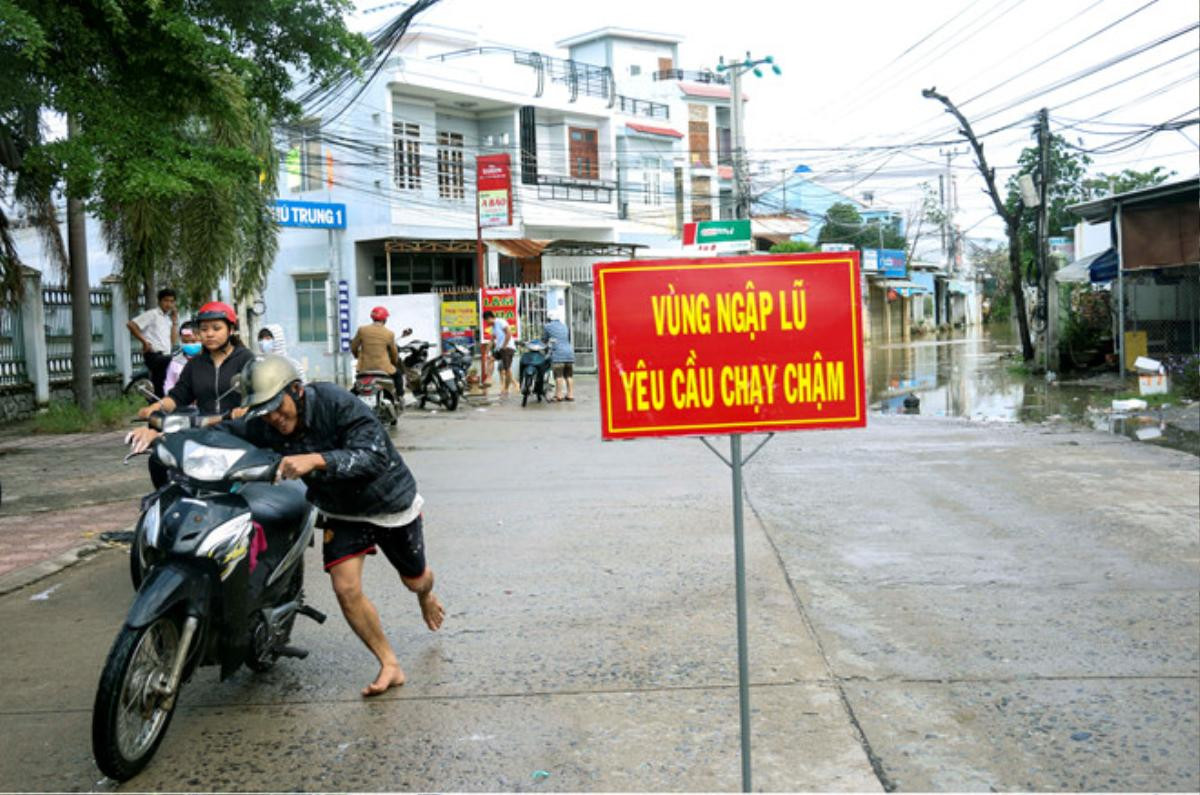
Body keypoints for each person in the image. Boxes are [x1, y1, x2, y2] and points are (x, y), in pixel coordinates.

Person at [127, 355, 445, 696]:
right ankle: (389, 664)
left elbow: (374, 454)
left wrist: (316, 460)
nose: (275, 419)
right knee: (345, 588)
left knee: (415, 579)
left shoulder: (335, 402)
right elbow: (219, 428)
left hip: (387, 502)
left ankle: (426, 594)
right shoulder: (264, 421)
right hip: (341, 511)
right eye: (265, 412)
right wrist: (161, 430)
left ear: (297, 390)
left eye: (279, 408)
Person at [137, 301, 254, 419]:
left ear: (231, 330)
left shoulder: (246, 359)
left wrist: (246, 409)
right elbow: (178, 396)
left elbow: (260, 395)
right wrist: (155, 407)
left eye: (216, 328)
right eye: (204, 329)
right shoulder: (194, 365)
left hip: (239, 429)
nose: (209, 334)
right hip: (205, 429)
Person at [126, 288, 179, 398]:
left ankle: (157, 405)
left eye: (171, 301)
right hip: (153, 355)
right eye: (166, 300)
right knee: (175, 360)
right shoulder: (152, 314)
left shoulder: (167, 319)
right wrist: (144, 342)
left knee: (160, 385)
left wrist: (174, 322)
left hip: (164, 356)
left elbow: (172, 341)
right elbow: (131, 325)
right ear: (160, 301)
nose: (168, 304)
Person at [350, 306, 402, 398]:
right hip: (383, 368)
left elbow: (353, 347)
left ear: (372, 317)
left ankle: (349, 400)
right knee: (398, 375)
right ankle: (400, 397)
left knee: (356, 388)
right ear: (385, 319)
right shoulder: (389, 333)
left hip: (364, 368)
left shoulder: (362, 330)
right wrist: (394, 363)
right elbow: (394, 353)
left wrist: (357, 357)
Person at [541, 314, 575, 402]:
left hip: (558, 353)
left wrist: (544, 345)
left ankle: (559, 395)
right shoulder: (565, 326)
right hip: (569, 353)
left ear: (549, 319)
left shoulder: (548, 326)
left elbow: (544, 339)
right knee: (569, 375)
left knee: (558, 376)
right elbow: (567, 339)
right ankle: (570, 395)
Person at [483, 310, 517, 397]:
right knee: (490, 359)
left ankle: (506, 389)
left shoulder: (500, 321)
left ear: (489, 318)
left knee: (507, 369)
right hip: (499, 348)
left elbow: (508, 333)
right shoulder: (494, 327)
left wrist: (504, 345)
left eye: (486, 321)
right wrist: (487, 352)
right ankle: (489, 378)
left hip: (508, 348)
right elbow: (492, 340)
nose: (486, 323)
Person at [162, 322, 201, 395]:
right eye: (185, 342)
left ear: (201, 338)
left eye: (193, 341)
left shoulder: (210, 359)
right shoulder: (175, 362)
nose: (189, 344)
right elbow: (169, 384)